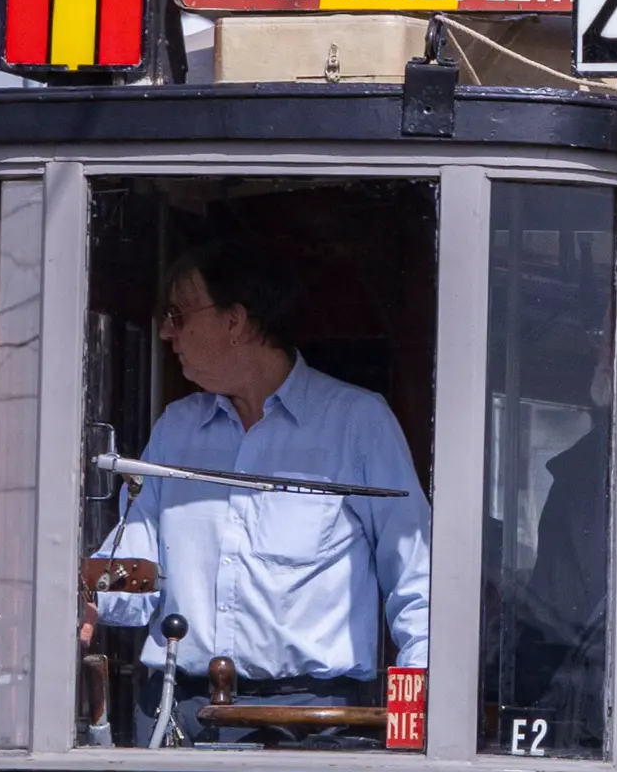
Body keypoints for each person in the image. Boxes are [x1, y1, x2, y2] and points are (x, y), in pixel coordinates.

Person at [93, 240, 428, 742]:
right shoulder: (176, 429)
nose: (166, 332)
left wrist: (414, 722)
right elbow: (135, 578)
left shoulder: (357, 422)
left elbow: (416, 580)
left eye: (178, 314)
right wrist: (82, 593)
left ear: (235, 321)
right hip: (178, 712)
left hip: (313, 721)